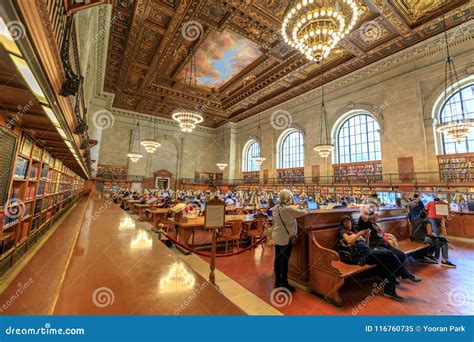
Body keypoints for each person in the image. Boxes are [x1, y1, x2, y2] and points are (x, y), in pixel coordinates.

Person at [339, 216, 405, 301]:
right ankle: (404, 273)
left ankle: (390, 291)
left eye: (348, 221)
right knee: (389, 254)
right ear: (342, 224)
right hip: (362, 256)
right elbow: (349, 241)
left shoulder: (354, 230)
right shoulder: (343, 231)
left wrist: (367, 237)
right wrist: (360, 233)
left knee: (389, 262)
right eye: (345, 221)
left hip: (368, 251)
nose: (347, 223)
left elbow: (366, 244)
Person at [357, 209, 422, 283]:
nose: (377, 217)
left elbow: (381, 234)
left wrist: (387, 239)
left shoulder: (374, 224)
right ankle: (405, 274)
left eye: (377, 215)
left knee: (401, 255)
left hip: (384, 245)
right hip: (375, 247)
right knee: (390, 256)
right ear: (370, 216)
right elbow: (363, 215)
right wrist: (371, 207)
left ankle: (396, 274)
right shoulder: (365, 224)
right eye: (375, 215)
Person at [271, 189, 308, 292]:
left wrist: (295, 206)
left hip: (277, 236)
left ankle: (277, 281)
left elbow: (290, 210)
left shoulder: (275, 208)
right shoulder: (288, 210)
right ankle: (285, 284)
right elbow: (304, 212)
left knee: (277, 259)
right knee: (284, 261)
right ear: (288, 199)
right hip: (286, 239)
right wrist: (302, 205)